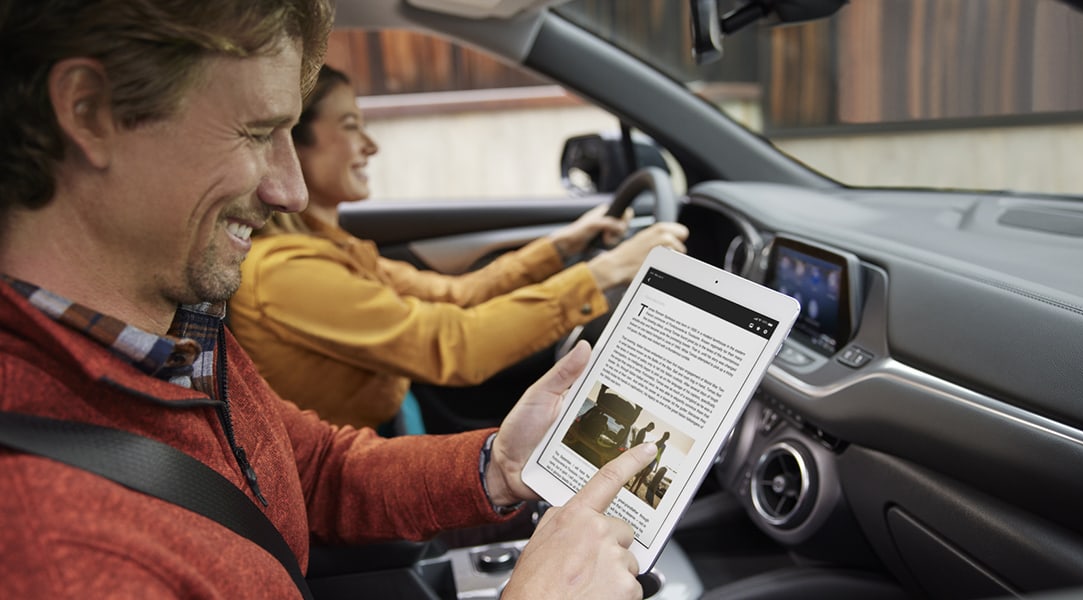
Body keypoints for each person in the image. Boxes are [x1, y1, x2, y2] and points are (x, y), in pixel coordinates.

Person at [0, 2, 659, 598]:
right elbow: (444, 338)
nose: (288, 191)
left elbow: (311, 470)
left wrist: (496, 465)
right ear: (91, 111)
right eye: (257, 133)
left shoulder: (172, 330)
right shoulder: (42, 547)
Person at [228, 64, 689, 431]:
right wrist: (603, 273)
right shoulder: (284, 274)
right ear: (291, 143)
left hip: (388, 425)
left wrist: (560, 246)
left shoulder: (330, 247)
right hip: (354, 463)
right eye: (350, 126)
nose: (370, 145)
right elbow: (454, 346)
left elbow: (457, 295)